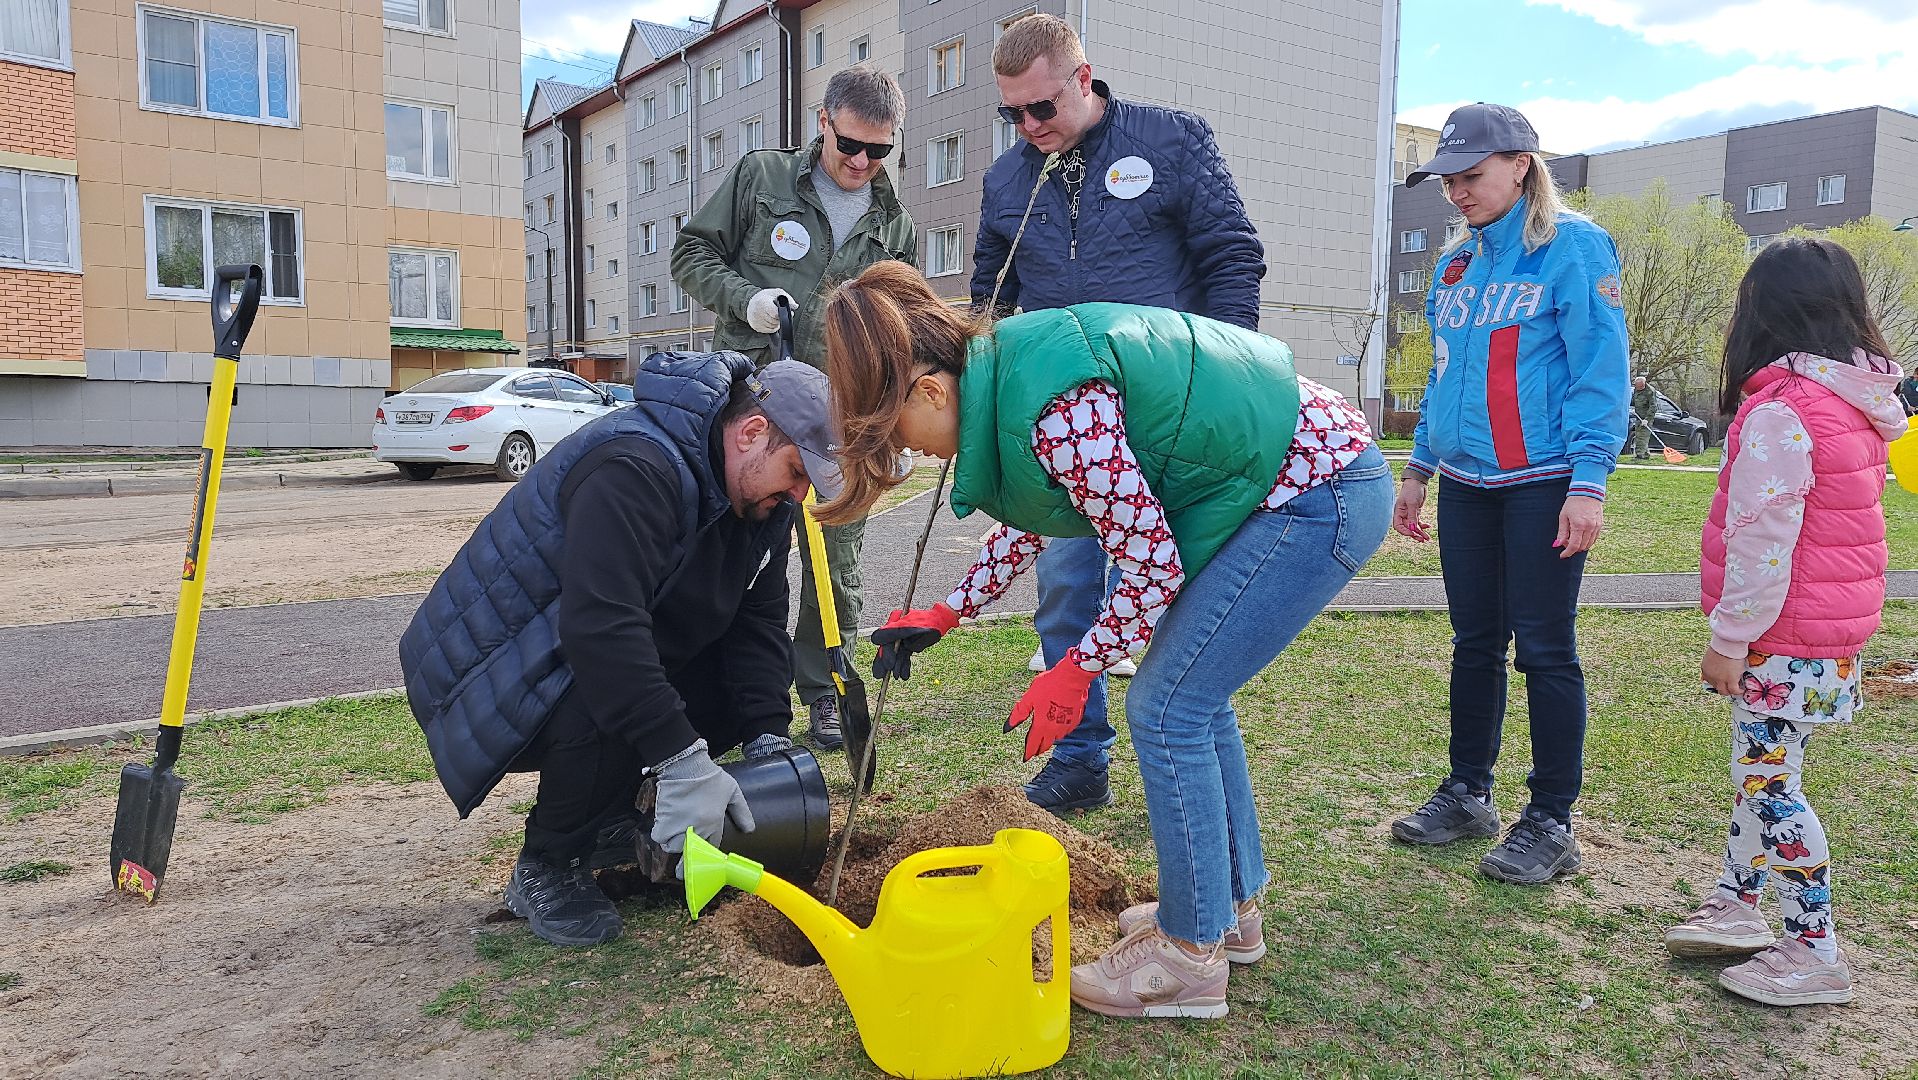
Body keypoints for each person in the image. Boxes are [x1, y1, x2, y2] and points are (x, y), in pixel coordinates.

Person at [816, 260, 1390, 1020]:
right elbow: (1039, 512)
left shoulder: (1054, 406)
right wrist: (948, 612)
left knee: (1168, 706)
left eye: (896, 435)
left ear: (929, 391)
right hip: (1299, 478)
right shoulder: (1008, 375)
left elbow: (1149, 561)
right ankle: (1226, 911)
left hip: (1315, 491)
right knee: (1194, 699)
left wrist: (1078, 668)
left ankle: (1187, 959)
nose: (909, 452)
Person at [399, 352, 843, 948]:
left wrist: (766, 735)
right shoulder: (635, 465)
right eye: (795, 470)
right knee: (609, 682)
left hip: (580, 643)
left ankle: (610, 816)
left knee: (722, 689)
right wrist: (682, 762)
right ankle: (547, 864)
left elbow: (756, 621)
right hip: (490, 670)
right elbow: (600, 630)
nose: (799, 492)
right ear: (752, 432)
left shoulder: (763, 502)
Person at [971, 12, 1267, 815]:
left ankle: (1189, 758)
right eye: (1012, 113)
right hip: (1071, 426)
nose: (1030, 127)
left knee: (1180, 598)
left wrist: (1226, 373)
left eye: (1042, 108)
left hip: (1172, 419)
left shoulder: (1171, 141)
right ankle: (1079, 759)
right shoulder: (1007, 181)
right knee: (1066, 587)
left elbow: (1232, 255)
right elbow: (990, 294)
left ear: (1083, 77)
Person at [1387, 102, 1631, 884]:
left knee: (1546, 649)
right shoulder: (1456, 266)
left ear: (1521, 165)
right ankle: (1468, 793)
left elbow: (1600, 372)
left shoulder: (1575, 246)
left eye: (1471, 175)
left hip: (1545, 482)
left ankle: (1552, 820)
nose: (1457, 192)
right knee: (1474, 643)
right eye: (1447, 180)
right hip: (1465, 483)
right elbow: (1442, 375)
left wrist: (1588, 482)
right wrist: (1419, 470)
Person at [1667, 236, 1907, 1006]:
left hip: (1781, 637)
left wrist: (1729, 639)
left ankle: (1814, 950)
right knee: (1764, 772)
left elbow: (1762, 541)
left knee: (1768, 783)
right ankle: (1738, 903)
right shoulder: (1851, 401)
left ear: (1761, 315)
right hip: (1829, 636)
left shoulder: (1784, 411)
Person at [671, 65, 917, 752]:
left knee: (836, 565)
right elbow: (690, 253)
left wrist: (893, 424)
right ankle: (714, 692)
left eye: (879, 151)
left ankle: (827, 691)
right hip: (757, 415)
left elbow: (899, 333)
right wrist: (743, 299)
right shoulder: (762, 179)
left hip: (844, 424)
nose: (862, 163)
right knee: (734, 555)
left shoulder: (895, 226)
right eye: (850, 145)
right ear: (824, 122)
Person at [1629, 374, 1658, 460]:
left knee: (1642, 436)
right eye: (1637, 386)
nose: (1639, 388)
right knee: (1638, 435)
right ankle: (1645, 454)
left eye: (1641, 386)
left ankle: (1639, 456)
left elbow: (1653, 407)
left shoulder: (1650, 391)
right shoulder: (1636, 390)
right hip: (1638, 416)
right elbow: (1634, 401)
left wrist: (1647, 419)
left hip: (1646, 417)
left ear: (1644, 384)